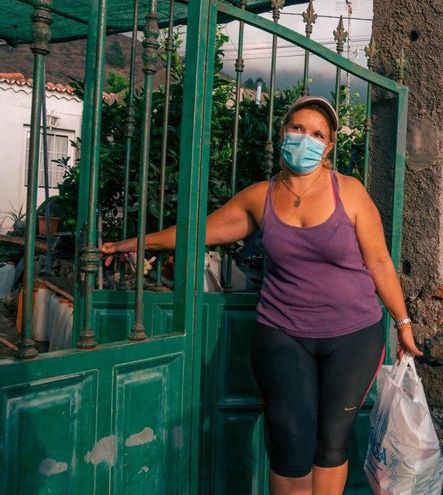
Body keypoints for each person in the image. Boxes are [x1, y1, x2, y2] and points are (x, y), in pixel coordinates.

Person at [101, 95, 422, 495]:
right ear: (283, 132)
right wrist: (133, 243)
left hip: (353, 336)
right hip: (283, 334)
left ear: (328, 147)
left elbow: (379, 262)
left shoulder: (350, 192)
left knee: (332, 443)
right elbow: (197, 232)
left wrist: (403, 323)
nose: (305, 138)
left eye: (317, 134)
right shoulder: (260, 197)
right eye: (298, 128)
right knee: (289, 445)